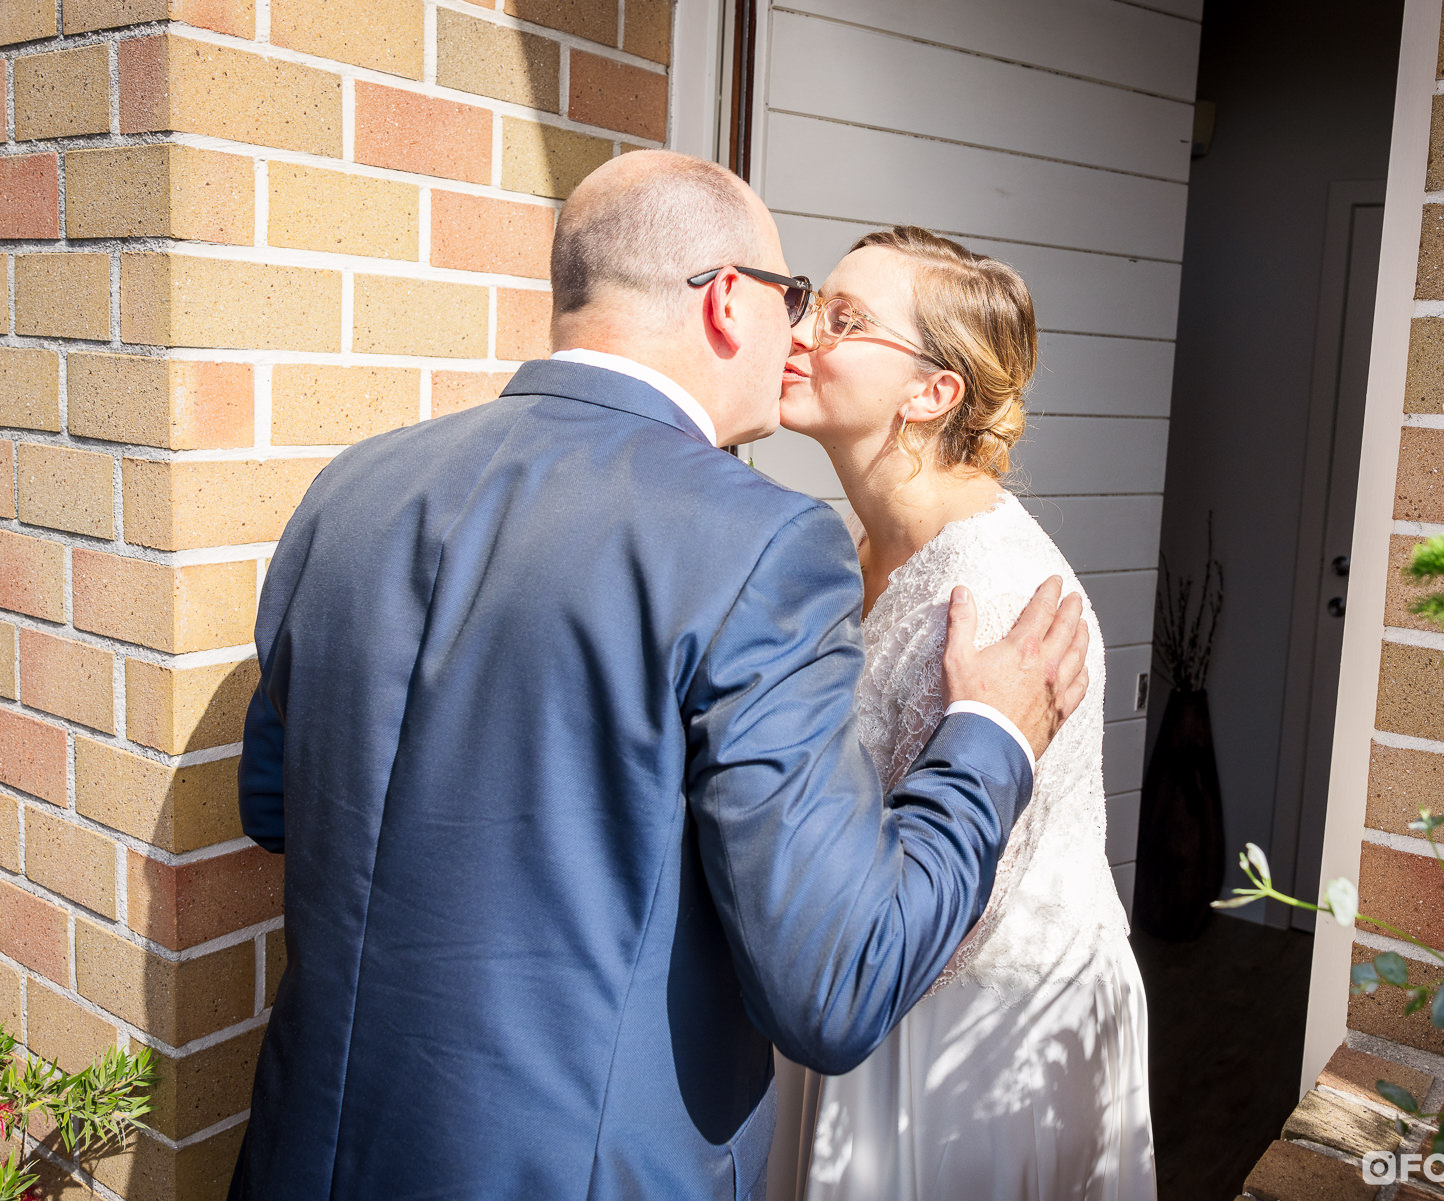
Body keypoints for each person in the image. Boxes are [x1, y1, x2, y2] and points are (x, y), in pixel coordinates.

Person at [227, 152, 1091, 1201]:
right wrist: (988, 741)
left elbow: (276, 803)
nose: (800, 330)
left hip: (303, 1151)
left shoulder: (350, 487)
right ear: (731, 302)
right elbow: (836, 986)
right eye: (795, 298)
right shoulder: (760, 545)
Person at [773, 227, 1156, 1200]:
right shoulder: (871, 540)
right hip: (882, 982)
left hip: (976, 1034)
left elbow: (952, 891)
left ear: (933, 392)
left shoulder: (990, 593)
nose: (802, 330)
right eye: (815, 302)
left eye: (845, 320)